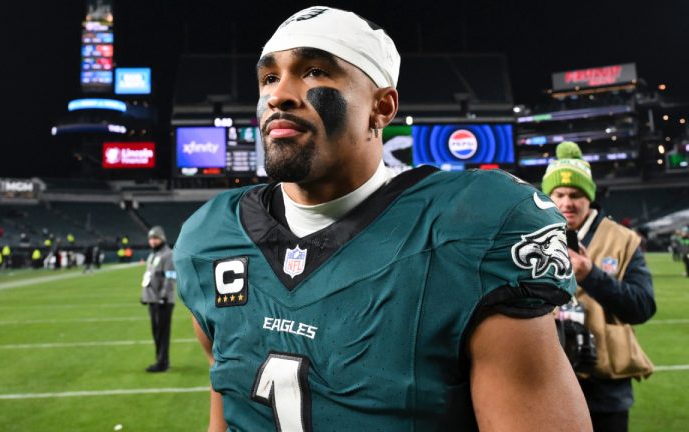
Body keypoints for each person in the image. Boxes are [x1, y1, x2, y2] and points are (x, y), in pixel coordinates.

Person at [174, 7, 590, 431]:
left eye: (314, 72)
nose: (279, 95)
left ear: (382, 107)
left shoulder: (470, 226)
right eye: (268, 78)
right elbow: (226, 400)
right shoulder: (212, 236)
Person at [543, 141, 656, 432]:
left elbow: (642, 307)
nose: (566, 203)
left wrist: (591, 275)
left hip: (606, 388)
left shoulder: (623, 239)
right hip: (548, 380)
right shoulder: (531, 238)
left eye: (576, 195)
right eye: (559, 194)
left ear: (589, 197)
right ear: (548, 197)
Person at [141, 226, 176, 373]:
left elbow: (171, 277)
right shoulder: (153, 255)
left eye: (155, 238)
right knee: (156, 333)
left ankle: (163, 363)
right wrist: (145, 295)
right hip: (153, 299)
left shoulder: (168, 254)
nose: (153, 241)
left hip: (163, 300)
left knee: (162, 333)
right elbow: (149, 275)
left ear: (162, 238)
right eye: (151, 238)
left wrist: (163, 296)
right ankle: (160, 360)